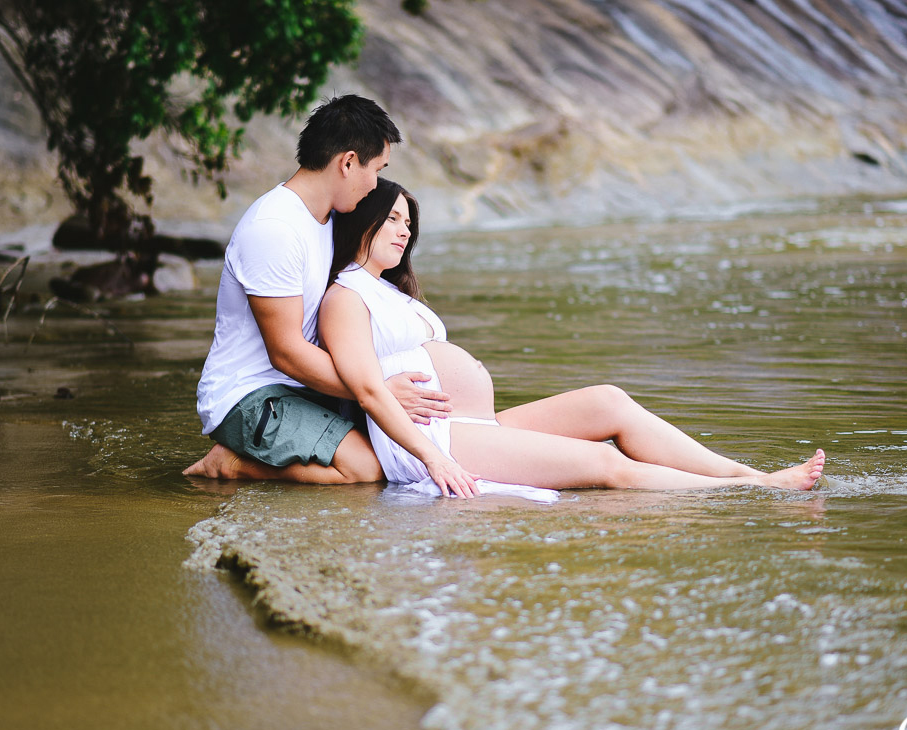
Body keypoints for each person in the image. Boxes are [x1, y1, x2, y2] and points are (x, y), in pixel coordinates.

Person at [318, 178, 827, 498]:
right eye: (392, 219)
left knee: (609, 401)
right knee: (604, 463)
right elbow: (366, 389)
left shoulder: (391, 292)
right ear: (364, 219)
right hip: (433, 439)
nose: (405, 231)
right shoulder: (345, 296)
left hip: (473, 423)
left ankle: (739, 471)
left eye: (409, 222)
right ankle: (751, 489)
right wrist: (435, 459)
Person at [184, 95, 451, 483]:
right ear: (348, 162)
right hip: (253, 396)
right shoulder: (274, 229)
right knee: (367, 470)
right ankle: (230, 463)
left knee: (401, 454)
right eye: (377, 169)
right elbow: (286, 353)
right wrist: (377, 389)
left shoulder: (328, 220)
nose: (375, 184)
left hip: (311, 389)